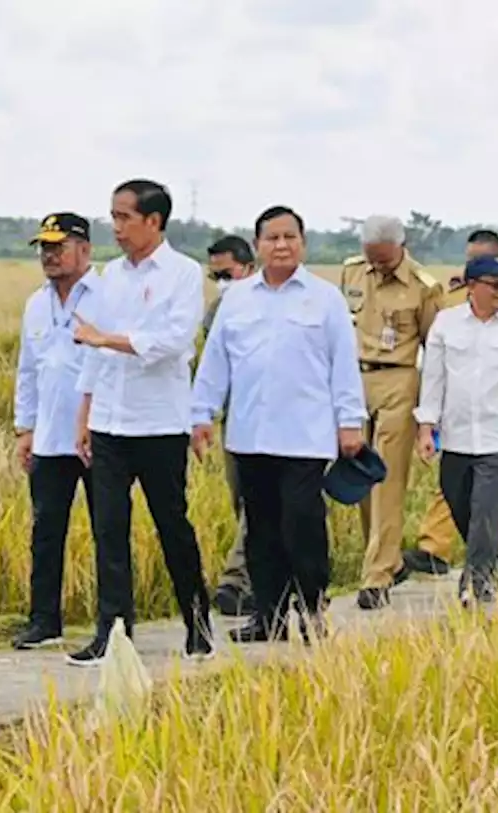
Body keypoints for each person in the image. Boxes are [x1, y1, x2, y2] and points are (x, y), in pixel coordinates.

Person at [191, 205, 367, 644]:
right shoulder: (237, 299)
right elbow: (216, 363)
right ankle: (268, 616)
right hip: (251, 435)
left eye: (290, 237)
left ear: (303, 244)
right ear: (258, 246)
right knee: (261, 531)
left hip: (307, 437)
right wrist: (201, 414)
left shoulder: (325, 299)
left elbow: (344, 366)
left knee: (303, 527)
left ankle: (311, 611)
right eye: (272, 238)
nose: (282, 245)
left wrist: (350, 423)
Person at [69, 178, 214, 665]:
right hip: (110, 421)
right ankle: (113, 633)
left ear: (154, 221)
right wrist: (84, 415)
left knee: (172, 525)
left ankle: (198, 624)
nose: (116, 227)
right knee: (108, 529)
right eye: (113, 216)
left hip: (158, 425)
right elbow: (90, 350)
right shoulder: (110, 276)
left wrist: (107, 339)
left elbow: (173, 342)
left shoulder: (182, 273)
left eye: (124, 217)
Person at [405, 230, 498, 584]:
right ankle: (497, 559)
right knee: (461, 509)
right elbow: (434, 379)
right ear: (472, 285)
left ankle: (477, 587)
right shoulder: (447, 323)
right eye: (496, 284)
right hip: (456, 438)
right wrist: (427, 427)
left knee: (486, 514)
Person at [338, 216, 444, 610]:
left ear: (401, 246)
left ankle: (377, 576)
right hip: (354, 379)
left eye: (384, 260)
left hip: (399, 381)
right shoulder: (351, 273)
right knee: (358, 475)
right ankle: (391, 559)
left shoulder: (424, 287)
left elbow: (436, 352)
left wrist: (428, 416)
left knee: (387, 479)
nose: (378, 268)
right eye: (372, 260)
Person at [11, 212, 100, 650]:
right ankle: (43, 620)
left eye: (58, 246)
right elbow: (28, 370)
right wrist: (23, 429)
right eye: (44, 247)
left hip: (99, 435)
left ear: (84, 249)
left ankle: (112, 620)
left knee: (107, 529)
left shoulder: (106, 296)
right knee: (46, 531)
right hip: (48, 437)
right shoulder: (34, 303)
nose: (49, 255)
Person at [203, 235, 257, 616]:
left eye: (228, 273)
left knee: (259, 502)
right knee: (241, 502)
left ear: (248, 267)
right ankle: (261, 577)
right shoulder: (216, 312)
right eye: (215, 275)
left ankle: (235, 580)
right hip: (235, 418)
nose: (222, 281)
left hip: (279, 421)